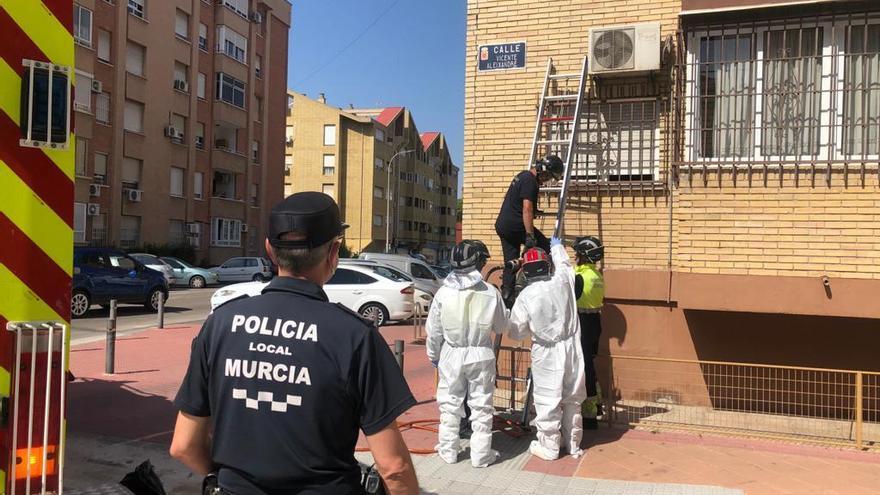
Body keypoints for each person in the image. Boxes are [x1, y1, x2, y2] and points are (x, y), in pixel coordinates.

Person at [170, 191, 420, 495]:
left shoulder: (220, 324)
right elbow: (394, 467)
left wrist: (231, 480)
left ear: (269, 251)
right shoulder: (354, 336)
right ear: (334, 252)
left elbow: (183, 446)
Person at [426, 240, 510, 468]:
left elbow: (433, 331)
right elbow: (503, 327)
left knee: (449, 403)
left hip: (451, 353)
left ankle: (448, 451)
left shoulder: (443, 293)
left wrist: (434, 355)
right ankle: (481, 455)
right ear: (480, 262)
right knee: (481, 405)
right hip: (481, 353)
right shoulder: (491, 292)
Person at [509, 239, 586, 461]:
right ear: (547, 265)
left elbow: (516, 332)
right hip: (572, 346)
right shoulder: (563, 280)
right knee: (572, 397)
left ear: (525, 271)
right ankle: (573, 444)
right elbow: (565, 265)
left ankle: (550, 447)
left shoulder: (526, 296)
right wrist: (556, 247)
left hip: (546, 351)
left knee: (547, 398)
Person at [494, 155, 564, 307]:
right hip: (515, 225)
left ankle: (507, 298)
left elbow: (520, 203)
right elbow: (526, 208)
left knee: (510, 262)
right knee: (548, 247)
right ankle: (540, 286)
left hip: (503, 225)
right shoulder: (530, 182)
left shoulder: (522, 176)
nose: (547, 181)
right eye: (549, 177)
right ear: (543, 171)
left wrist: (533, 212)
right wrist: (530, 235)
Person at [573, 236, 605, 430]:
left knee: (584, 369)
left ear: (583, 255)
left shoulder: (580, 277)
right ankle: (597, 405)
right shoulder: (597, 275)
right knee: (590, 366)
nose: (574, 256)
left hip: (582, 324)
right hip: (595, 323)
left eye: (577, 253)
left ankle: (589, 416)